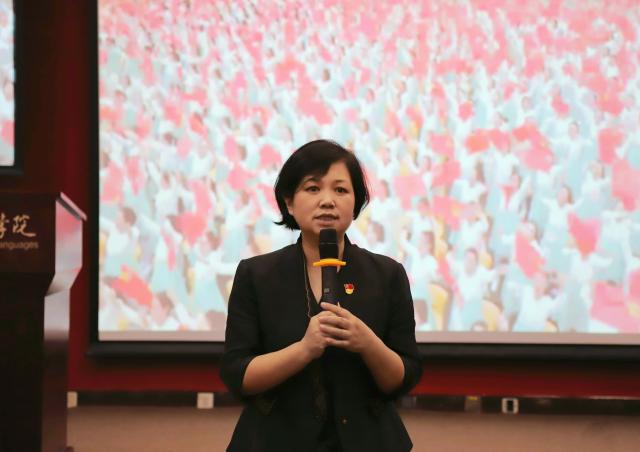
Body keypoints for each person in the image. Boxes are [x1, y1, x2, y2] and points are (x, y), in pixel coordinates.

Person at [221, 140, 422, 452]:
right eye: (313, 188)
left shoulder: (387, 274)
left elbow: (403, 378)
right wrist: (303, 350)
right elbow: (238, 375)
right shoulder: (256, 275)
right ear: (289, 202)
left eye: (340, 190)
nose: (327, 201)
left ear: (355, 204)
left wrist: (367, 343)